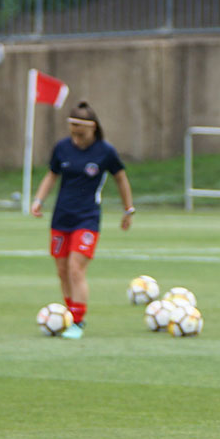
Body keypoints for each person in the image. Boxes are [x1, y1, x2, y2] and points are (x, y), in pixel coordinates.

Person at [29, 101, 134, 339]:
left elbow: (121, 178)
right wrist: (38, 200)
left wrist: (128, 209)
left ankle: (78, 321)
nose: (76, 139)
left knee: (76, 268)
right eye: (73, 133)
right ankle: (69, 314)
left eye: (81, 134)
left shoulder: (105, 151)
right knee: (62, 270)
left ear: (93, 129)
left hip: (87, 218)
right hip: (61, 217)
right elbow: (52, 175)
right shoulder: (62, 148)